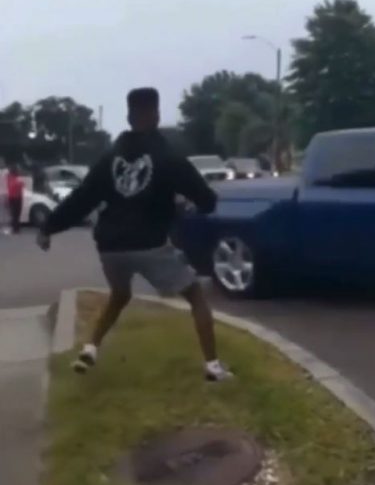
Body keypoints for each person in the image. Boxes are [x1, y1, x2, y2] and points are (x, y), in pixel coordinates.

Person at [36, 87, 233, 381]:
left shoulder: (108, 157)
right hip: (149, 244)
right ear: (155, 114)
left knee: (120, 295)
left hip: (110, 247)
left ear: (129, 116)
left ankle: (90, 348)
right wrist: (199, 203)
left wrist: (49, 226)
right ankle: (214, 367)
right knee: (195, 295)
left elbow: (82, 198)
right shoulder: (168, 155)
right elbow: (205, 199)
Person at [5, 165, 25, 234]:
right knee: (16, 214)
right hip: (16, 198)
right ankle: (15, 229)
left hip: (12, 198)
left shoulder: (9, 178)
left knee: (15, 214)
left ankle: (15, 228)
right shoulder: (16, 179)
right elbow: (22, 185)